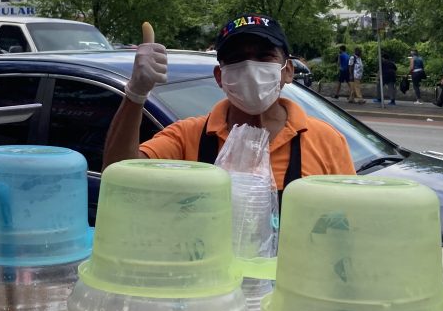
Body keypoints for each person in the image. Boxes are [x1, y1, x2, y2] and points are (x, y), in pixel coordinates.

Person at [102, 14, 356, 191]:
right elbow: (118, 175)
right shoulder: (187, 137)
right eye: (236, 58)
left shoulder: (327, 141)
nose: (249, 67)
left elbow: (348, 221)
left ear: (287, 70)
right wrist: (135, 93)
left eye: (264, 56)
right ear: (220, 76)